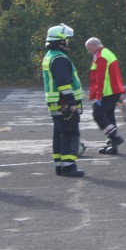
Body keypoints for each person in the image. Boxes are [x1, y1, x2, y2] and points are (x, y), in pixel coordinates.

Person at [42, 23, 85, 177]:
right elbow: (63, 83)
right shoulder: (60, 58)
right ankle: (68, 166)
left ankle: (60, 165)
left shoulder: (50, 56)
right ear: (61, 41)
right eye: (67, 39)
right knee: (70, 133)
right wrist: (71, 102)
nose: (68, 42)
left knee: (59, 133)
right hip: (64, 103)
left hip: (56, 103)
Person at [85, 37, 126, 155]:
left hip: (108, 91)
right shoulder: (107, 53)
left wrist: (98, 95)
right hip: (114, 90)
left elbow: (101, 78)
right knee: (109, 115)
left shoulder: (101, 56)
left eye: (89, 49)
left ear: (95, 45)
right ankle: (113, 146)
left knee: (98, 113)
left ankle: (114, 138)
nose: (89, 51)